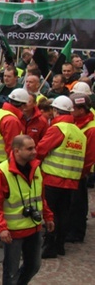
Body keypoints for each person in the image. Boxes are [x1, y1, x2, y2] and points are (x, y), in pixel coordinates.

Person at [0, 135, 54, 285]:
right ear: (17, 151)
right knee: (10, 272)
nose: (34, 151)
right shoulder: (2, 172)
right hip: (13, 232)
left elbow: (41, 197)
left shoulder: (36, 168)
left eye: (34, 147)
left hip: (34, 227)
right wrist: (1, 228)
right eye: (29, 149)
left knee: (34, 266)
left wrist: (48, 216)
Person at [34, 95, 85, 258]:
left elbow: (41, 149)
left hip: (53, 178)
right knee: (64, 212)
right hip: (71, 180)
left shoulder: (58, 129)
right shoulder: (79, 133)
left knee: (51, 213)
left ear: (56, 111)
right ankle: (60, 245)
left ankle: (50, 246)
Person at [68, 93, 95, 243]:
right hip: (72, 172)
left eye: (73, 108)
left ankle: (76, 232)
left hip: (79, 174)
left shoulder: (91, 129)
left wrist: (80, 172)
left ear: (81, 110)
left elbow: (89, 157)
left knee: (78, 204)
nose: (70, 111)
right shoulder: (78, 123)